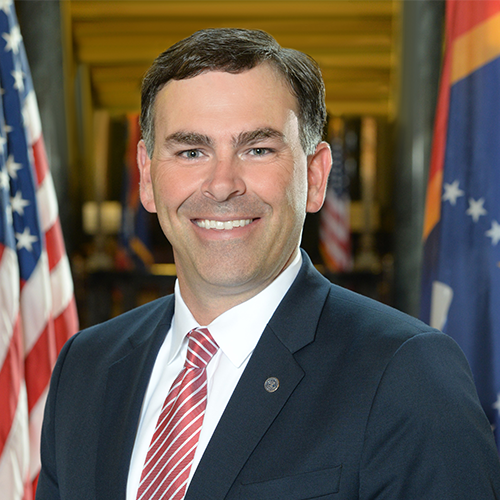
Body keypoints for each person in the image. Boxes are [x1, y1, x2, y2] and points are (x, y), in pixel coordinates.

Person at [36, 28, 500, 500]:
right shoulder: (86, 366)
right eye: (191, 151)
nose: (221, 185)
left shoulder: (408, 374)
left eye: (257, 149)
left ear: (315, 176)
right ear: (148, 178)